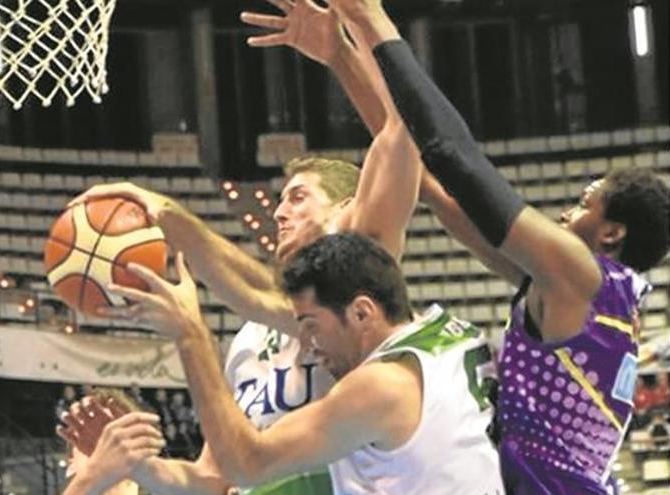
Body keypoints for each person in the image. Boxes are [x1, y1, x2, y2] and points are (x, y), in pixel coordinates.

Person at [67, 1, 422, 492]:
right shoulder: (251, 340)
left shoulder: (359, 294)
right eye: (280, 201)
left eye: (298, 197)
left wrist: (345, 50)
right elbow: (217, 475)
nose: (279, 212)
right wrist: (136, 465)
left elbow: (400, 135)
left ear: (346, 208)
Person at [328, 0, 670, 493]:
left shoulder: (580, 275)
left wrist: (372, 20)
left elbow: (457, 159)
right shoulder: (578, 296)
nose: (565, 214)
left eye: (583, 204)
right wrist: (339, 55)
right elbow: (419, 167)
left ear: (611, 233)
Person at [76, 234, 503, 494]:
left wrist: (191, 334)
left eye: (312, 326)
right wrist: (139, 466)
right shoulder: (453, 331)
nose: (309, 344)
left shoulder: (382, 386)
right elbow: (220, 478)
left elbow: (246, 463)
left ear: (362, 312)